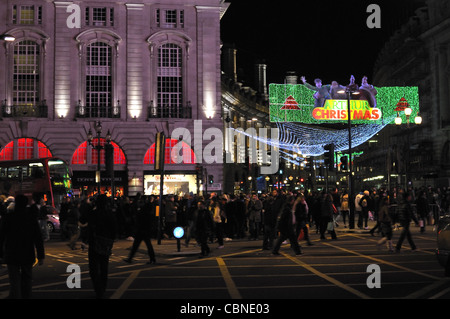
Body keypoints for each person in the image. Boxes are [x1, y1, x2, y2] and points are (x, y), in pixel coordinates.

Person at [0, 194, 45, 299]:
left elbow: (2, 236)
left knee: (14, 280)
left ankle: (16, 296)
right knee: (27, 278)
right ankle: (26, 295)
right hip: (27, 252)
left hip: (12, 252)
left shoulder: (9, 218)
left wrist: (1, 253)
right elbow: (38, 238)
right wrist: (41, 255)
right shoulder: (31, 219)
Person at [80, 194, 117, 299]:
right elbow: (114, 229)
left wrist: (91, 206)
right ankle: (102, 289)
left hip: (94, 243)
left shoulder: (93, 213)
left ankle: (98, 289)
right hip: (105, 244)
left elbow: (82, 219)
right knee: (104, 268)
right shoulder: (109, 214)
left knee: (93, 269)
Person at [124, 196, 156, 264]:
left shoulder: (143, 211)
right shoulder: (148, 212)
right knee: (147, 245)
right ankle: (152, 258)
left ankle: (130, 258)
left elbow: (139, 219)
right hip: (145, 230)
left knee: (137, 245)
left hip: (141, 230)